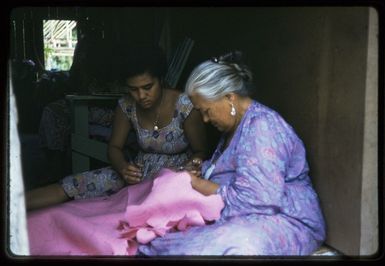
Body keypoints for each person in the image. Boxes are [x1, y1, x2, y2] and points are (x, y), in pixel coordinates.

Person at [135, 51, 326, 255]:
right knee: (162, 243)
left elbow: (258, 200)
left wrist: (197, 183)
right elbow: (230, 170)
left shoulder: (262, 127)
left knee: (225, 247)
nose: (206, 120)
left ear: (229, 98)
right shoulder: (233, 128)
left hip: (285, 219)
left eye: (206, 111)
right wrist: (202, 170)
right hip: (246, 215)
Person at [25, 45, 208, 210]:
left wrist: (192, 165)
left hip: (174, 178)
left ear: (161, 80)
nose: (141, 95)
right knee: (74, 184)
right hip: (137, 173)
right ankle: (14, 205)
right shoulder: (126, 105)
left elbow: (200, 151)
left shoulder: (185, 105)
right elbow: (114, 148)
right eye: (133, 89)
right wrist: (122, 168)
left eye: (147, 87)